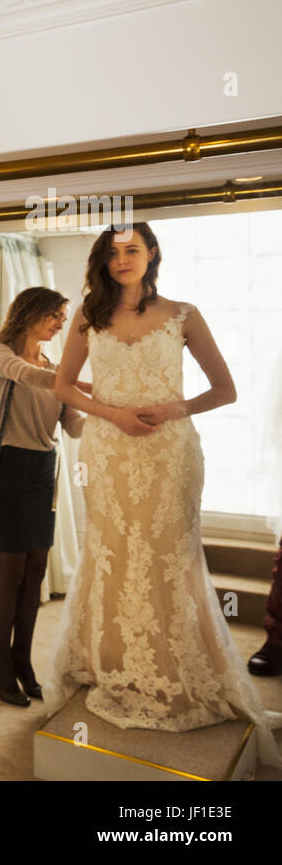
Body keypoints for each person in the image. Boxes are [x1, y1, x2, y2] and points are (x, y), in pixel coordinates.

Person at [45, 222, 281, 765]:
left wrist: (174, 408)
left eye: (132, 249)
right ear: (103, 262)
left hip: (170, 451)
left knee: (168, 556)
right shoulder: (89, 315)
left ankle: (177, 668)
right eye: (112, 253)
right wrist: (113, 415)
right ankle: (113, 665)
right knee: (114, 554)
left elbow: (225, 389)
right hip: (108, 450)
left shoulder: (183, 314)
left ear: (152, 254)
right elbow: (62, 385)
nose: (122, 260)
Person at [0, 287, 86, 706]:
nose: (61, 324)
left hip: (43, 474)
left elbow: (73, 426)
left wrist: (116, 418)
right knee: (12, 569)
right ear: (32, 312)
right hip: (5, 471)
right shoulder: (0, 354)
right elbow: (29, 376)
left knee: (36, 571)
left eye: (62, 317)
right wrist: (77, 383)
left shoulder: (55, 368)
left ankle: (22, 661)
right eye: (55, 316)